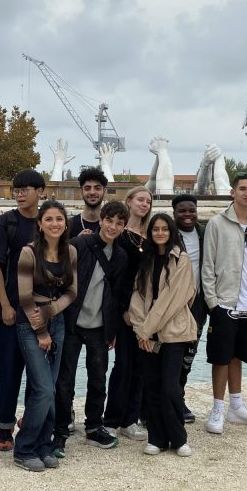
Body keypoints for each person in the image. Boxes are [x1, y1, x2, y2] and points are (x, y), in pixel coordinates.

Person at [54, 200, 129, 456]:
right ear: (102, 220)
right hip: (72, 321)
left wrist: (113, 330)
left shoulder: (120, 256)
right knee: (65, 380)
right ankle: (60, 429)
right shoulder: (80, 245)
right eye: (109, 220)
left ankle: (94, 426)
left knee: (98, 379)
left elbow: (118, 297)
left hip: (99, 325)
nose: (113, 227)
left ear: (124, 227)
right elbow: (62, 279)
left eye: (119, 223)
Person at [201, 171, 247, 434]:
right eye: (242, 188)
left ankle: (237, 406)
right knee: (221, 357)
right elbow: (207, 266)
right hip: (224, 303)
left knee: (238, 356)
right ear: (233, 192)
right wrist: (212, 302)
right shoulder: (217, 224)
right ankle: (218, 407)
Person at [14, 201, 78, 472]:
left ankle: (43, 444)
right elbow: (25, 298)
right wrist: (41, 330)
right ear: (40, 224)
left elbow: (72, 292)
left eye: (59, 219)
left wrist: (51, 310)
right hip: (31, 324)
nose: (54, 224)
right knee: (42, 389)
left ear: (65, 224)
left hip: (58, 321)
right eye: (49, 219)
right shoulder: (28, 253)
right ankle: (24, 447)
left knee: (50, 389)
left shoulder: (70, 251)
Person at [129, 213, 197, 457]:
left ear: (171, 232)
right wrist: (140, 332)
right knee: (152, 387)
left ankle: (178, 438)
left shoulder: (182, 260)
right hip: (147, 334)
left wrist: (146, 330)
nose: (159, 233)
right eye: (155, 229)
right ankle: (157, 438)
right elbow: (137, 297)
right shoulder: (145, 260)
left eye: (164, 229)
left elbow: (173, 300)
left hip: (174, 333)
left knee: (171, 387)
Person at [0, 169, 45, 451]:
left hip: (40, 313)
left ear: (40, 192)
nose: (20, 194)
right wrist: (5, 305)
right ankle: (5, 429)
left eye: (26, 189)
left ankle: (32, 420)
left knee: (39, 375)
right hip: (11, 313)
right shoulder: (6, 223)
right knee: (8, 373)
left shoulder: (48, 222)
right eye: (17, 189)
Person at [102, 185, 154, 440]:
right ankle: (111, 419)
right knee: (122, 365)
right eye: (140, 200)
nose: (144, 204)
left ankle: (130, 419)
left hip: (146, 310)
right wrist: (121, 310)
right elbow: (116, 277)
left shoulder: (151, 236)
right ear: (130, 201)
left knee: (141, 366)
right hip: (124, 310)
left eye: (148, 201)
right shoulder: (120, 235)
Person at [172, 193, 206, 424]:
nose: (187, 215)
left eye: (191, 210)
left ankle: (179, 398)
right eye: (182, 211)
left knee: (189, 356)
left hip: (199, 304)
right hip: (174, 305)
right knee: (170, 355)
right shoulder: (167, 234)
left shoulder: (204, 233)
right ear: (174, 212)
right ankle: (167, 400)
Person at [69, 166, 108, 238]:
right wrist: (76, 242)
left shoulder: (111, 226)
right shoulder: (69, 226)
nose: (92, 192)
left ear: (104, 191)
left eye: (97, 188)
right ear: (81, 192)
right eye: (87, 188)